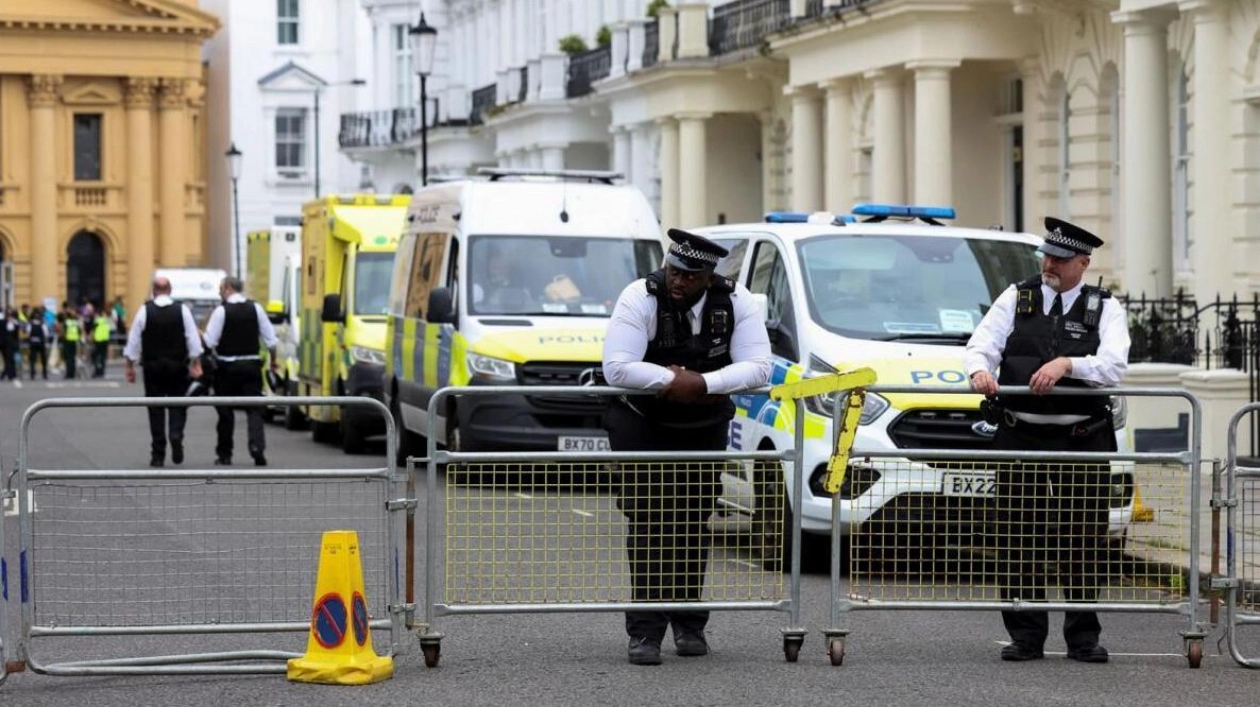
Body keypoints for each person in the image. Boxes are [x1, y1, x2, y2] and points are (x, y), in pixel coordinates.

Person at [602, 228, 772, 666]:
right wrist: (670, 381)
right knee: (649, 520)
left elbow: (759, 368)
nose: (678, 282)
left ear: (709, 277)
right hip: (642, 423)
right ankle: (645, 632)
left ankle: (689, 623)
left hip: (703, 424)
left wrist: (702, 383)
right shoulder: (640, 295)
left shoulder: (737, 302)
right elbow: (618, 368)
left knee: (692, 518)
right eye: (674, 271)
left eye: (690, 276)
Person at [964, 217, 1130, 664]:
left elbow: (1114, 366)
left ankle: (1083, 638)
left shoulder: (1105, 308)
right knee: (1019, 536)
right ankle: (1025, 635)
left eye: (1058, 258)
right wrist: (979, 369)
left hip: (1083, 438)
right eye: (1045, 256)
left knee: (1083, 538)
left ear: (1083, 262)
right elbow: (981, 343)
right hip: (1022, 434)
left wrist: (1068, 365)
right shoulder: (1017, 298)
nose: (1048, 265)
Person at [123, 278, 204, 467]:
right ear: (170, 290)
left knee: (155, 408)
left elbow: (134, 340)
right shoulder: (182, 310)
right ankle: (176, 434)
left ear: (154, 291)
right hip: (177, 365)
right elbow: (193, 339)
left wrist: (129, 365)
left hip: (153, 366)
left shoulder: (145, 310)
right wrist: (196, 361)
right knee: (178, 403)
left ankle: (157, 454)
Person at [203, 276, 278, 466]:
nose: (219, 292)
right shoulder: (256, 308)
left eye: (221, 288)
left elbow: (209, 341)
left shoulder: (221, 311)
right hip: (252, 365)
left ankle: (225, 453)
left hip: (227, 367)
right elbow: (271, 340)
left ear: (228, 288)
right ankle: (256, 448)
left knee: (225, 412)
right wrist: (273, 362)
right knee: (254, 410)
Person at [26, 307, 49, 380]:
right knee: (43, 359)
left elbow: (28, 333)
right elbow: (46, 334)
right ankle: (44, 374)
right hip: (41, 343)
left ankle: (32, 374)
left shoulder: (30, 324)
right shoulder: (43, 325)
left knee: (32, 359)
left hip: (33, 343)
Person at [90, 310, 112, 378]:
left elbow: (93, 331)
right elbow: (109, 330)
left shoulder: (97, 321)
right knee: (103, 357)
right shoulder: (106, 321)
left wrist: (91, 339)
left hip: (98, 340)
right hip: (105, 340)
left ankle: (97, 371)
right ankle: (102, 371)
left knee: (96, 357)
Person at [1, 308, 18, 381]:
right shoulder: (9, 323)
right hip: (8, 344)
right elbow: (12, 331)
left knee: (9, 359)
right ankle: (9, 374)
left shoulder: (10, 322)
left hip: (6, 343)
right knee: (9, 359)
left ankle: (9, 374)